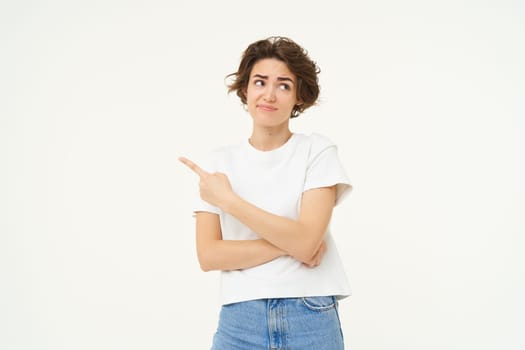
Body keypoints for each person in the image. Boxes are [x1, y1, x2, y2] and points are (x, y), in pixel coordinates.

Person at [179, 36, 352, 350]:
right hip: (240, 320)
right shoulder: (216, 164)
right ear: (246, 89)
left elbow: (308, 241)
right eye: (260, 82)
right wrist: (294, 244)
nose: (270, 94)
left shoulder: (317, 151)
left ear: (299, 96)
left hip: (310, 315)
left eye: (284, 85)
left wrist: (229, 201)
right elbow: (209, 255)